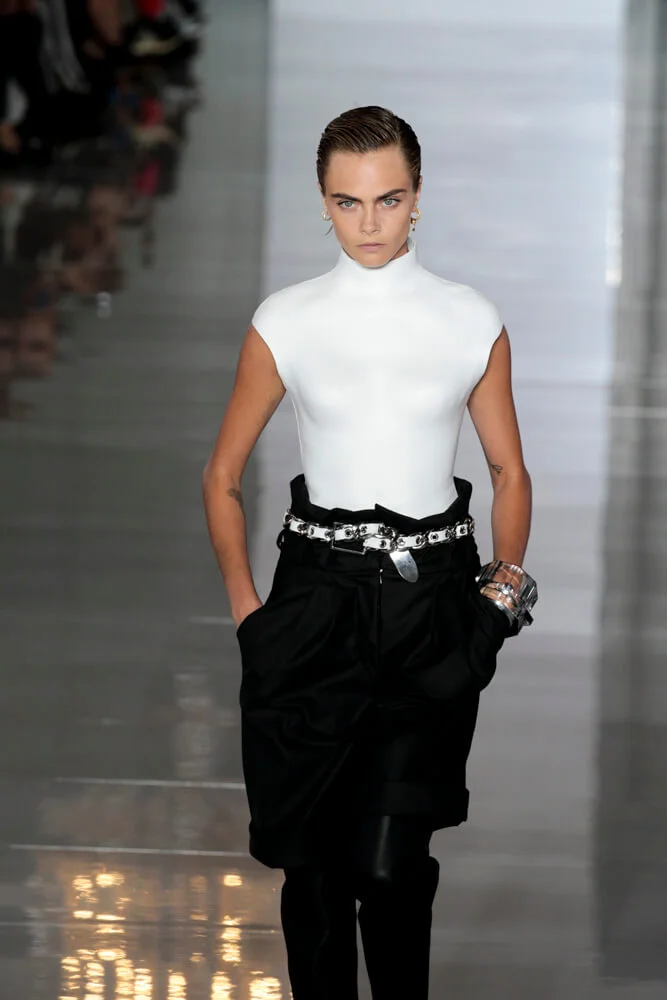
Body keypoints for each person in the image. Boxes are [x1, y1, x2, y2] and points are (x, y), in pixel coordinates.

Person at [202, 105, 538, 999]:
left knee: (390, 869)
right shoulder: (286, 320)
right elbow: (222, 474)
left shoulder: (469, 319)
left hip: (431, 606)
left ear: (417, 196)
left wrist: (500, 595)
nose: (369, 223)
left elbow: (507, 469)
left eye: (388, 200)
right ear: (323, 202)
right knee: (311, 875)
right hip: (313, 603)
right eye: (347, 203)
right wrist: (248, 614)